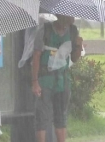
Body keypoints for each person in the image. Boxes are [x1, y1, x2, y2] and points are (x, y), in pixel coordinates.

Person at [31, 14, 83, 142]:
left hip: (62, 81)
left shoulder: (73, 31)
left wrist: (78, 46)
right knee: (42, 117)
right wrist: (35, 82)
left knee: (61, 117)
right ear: (61, 16)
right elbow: (36, 56)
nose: (73, 20)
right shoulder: (45, 30)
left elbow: (74, 59)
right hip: (45, 80)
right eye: (70, 17)